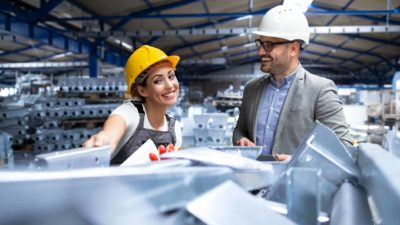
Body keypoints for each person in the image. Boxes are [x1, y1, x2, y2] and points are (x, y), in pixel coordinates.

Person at [233, 5, 352, 161]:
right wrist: (241, 139)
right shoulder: (252, 89)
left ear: (293, 49)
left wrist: (300, 161)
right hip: (254, 181)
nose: (261, 52)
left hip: (297, 183)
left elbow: (343, 147)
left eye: (269, 45)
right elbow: (240, 129)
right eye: (260, 44)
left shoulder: (319, 90)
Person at [83, 45, 182, 164]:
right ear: (142, 90)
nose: (170, 85)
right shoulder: (130, 113)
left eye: (171, 76)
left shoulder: (174, 128)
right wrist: (104, 140)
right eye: (158, 81)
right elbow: (112, 131)